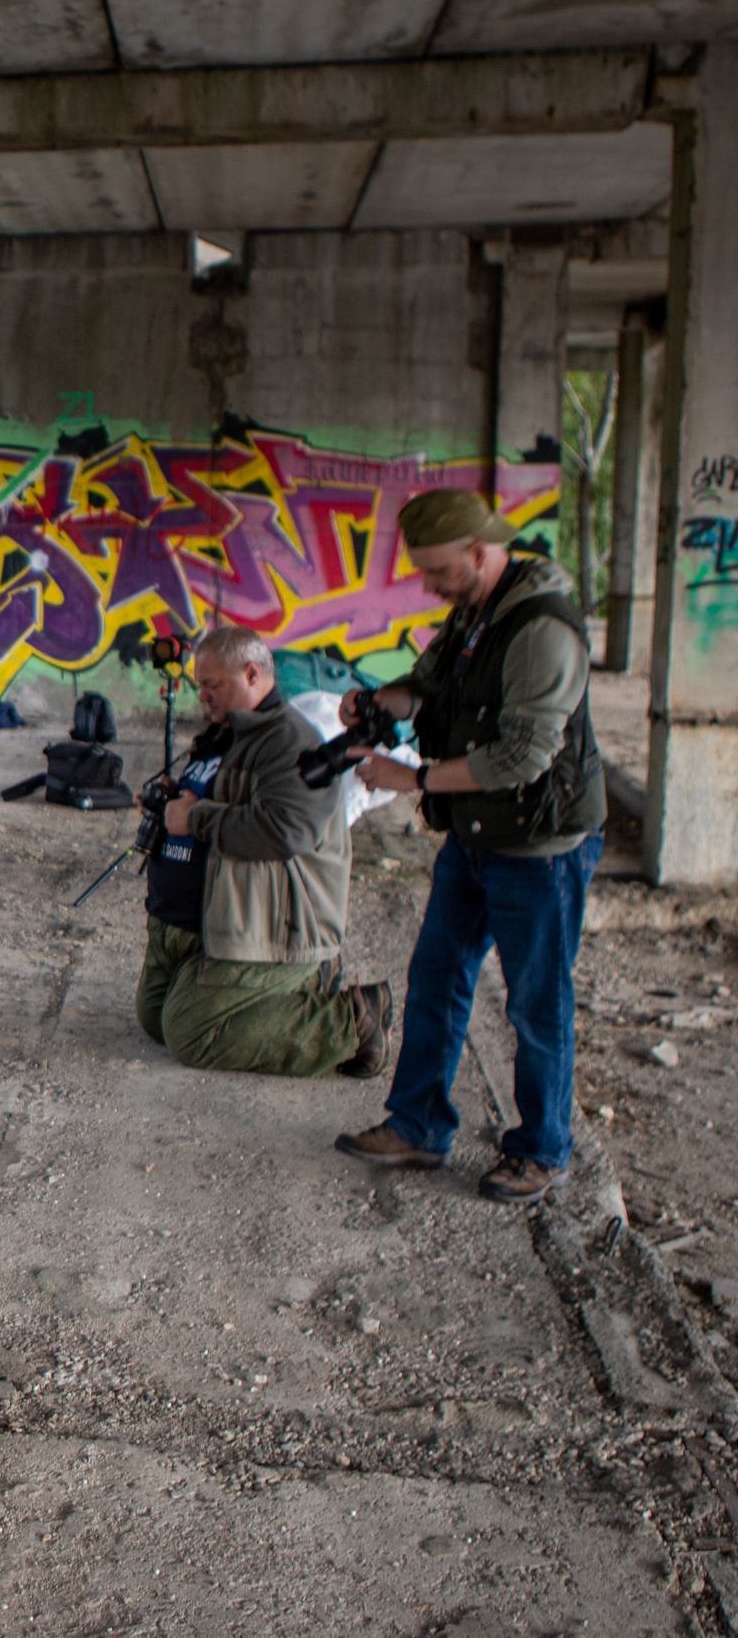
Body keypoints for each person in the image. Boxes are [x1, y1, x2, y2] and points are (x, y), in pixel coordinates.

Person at [335, 488, 606, 1206]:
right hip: (476, 834)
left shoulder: (542, 628)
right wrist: (378, 702)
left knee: (536, 1005)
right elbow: (426, 687)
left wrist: (414, 778)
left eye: (438, 570)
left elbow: (523, 757)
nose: (429, 585)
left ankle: (542, 1150)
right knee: (436, 977)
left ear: (481, 553)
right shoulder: (473, 611)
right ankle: (418, 1124)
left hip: (540, 845)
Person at [137, 626, 390, 1079]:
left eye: (212, 685)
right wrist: (175, 799)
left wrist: (194, 818)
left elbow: (285, 830)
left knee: (189, 1031)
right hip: (202, 921)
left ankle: (350, 1020)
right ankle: (288, 991)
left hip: (267, 927)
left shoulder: (291, 742)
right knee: (155, 1017)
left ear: (252, 674)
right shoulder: (226, 731)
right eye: (200, 686)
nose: (203, 696)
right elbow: (215, 798)